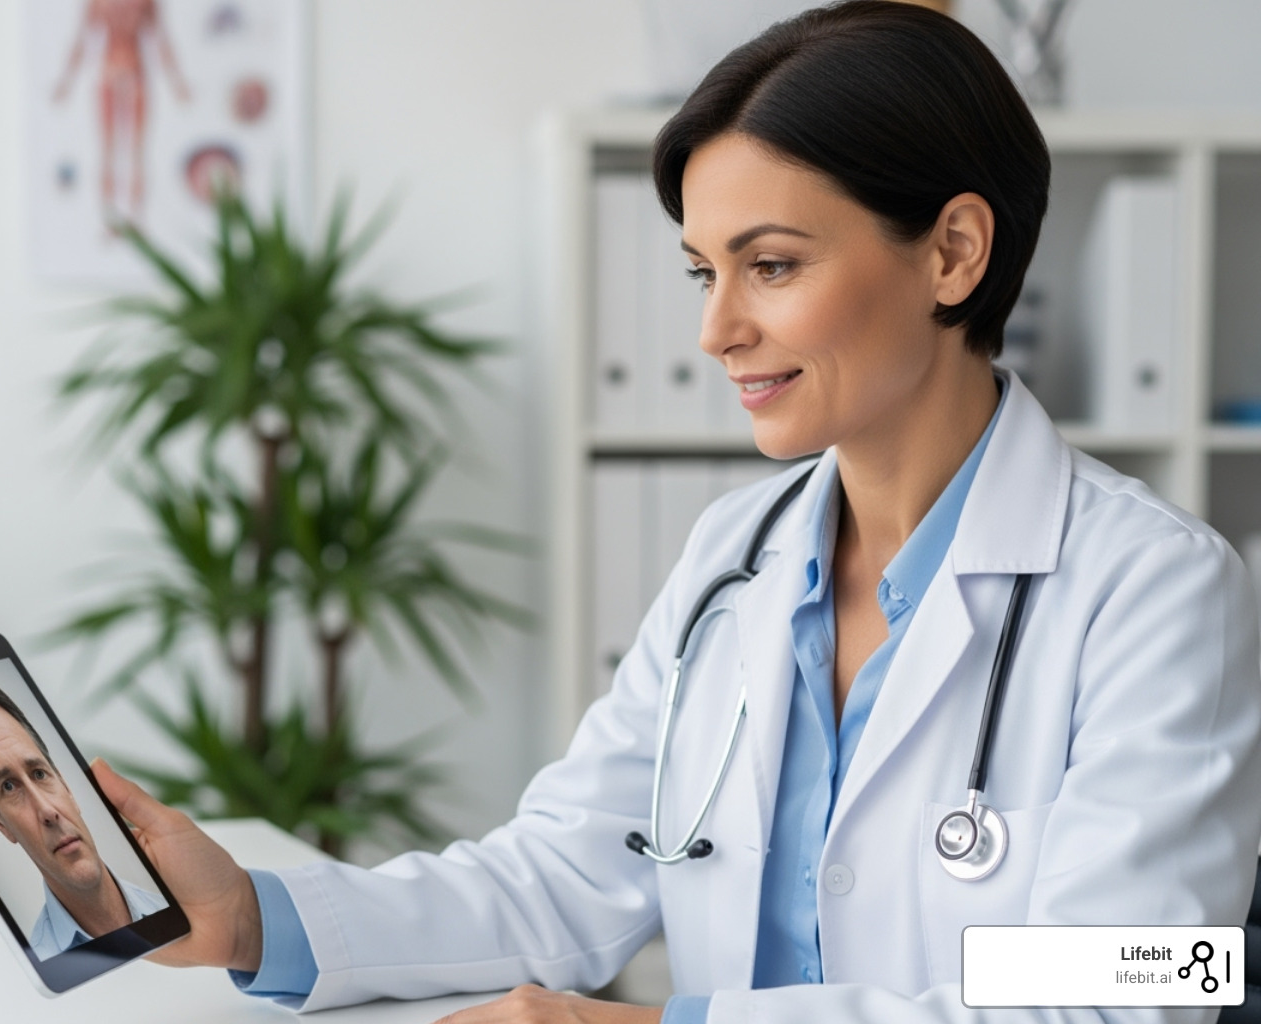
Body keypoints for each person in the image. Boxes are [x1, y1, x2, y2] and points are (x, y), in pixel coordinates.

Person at [91, 3, 1261, 1022]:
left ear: (953, 252)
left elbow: (1125, 992)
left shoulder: (1158, 589)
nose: (716, 331)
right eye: (706, 271)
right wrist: (252, 916)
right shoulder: (733, 561)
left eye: (775, 264)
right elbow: (563, 875)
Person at [0, 668, 166, 961]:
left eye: (39, 774)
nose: (47, 811)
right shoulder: (45, 968)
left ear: (66, 785)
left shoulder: (180, 913)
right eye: (9, 786)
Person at [52, 0, 191, 226]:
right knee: (108, 150)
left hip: (135, 73)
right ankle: (109, 219)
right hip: (110, 72)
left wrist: (178, 83)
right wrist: (65, 83)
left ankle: (135, 219)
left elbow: (162, 39)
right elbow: (81, 40)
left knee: (136, 151)